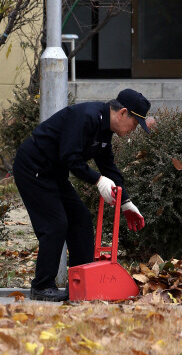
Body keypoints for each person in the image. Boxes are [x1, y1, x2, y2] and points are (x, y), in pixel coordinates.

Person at [13, 88, 155, 301]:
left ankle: (80, 285)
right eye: (135, 124)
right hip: (33, 168)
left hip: (54, 173)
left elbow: (107, 165)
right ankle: (42, 286)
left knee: (80, 219)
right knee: (55, 224)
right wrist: (98, 180)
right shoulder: (86, 116)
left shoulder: (105, 129)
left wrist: (125, 202)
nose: (133, 130)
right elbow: (70, 157)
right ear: (122, 113)